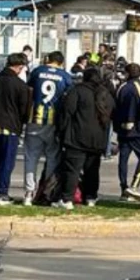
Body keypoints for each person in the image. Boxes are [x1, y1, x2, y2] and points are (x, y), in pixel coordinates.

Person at [54, 67, 114, 210]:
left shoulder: (77, 91)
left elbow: (67, 113)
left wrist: (60, 132)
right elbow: (112, 113)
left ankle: (67, 198)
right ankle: (91, 197)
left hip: (77, 138)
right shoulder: (106, 94)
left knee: (72, 170)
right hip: (98, 139)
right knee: (92, 170)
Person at [0, 53, 31, 205]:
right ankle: (2, 193)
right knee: (6, 162)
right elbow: (25, 111)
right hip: (9, 127)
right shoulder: (21, 86)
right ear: (20, 67)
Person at [25, 52, 72, 206]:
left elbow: (30, 92)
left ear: (48, 60)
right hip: (53, 120)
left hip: (35, 117)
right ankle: (46, 192)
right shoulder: (65, 76)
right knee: (52, 156)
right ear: (61, 62)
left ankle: (28, 192)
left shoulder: (37, 72)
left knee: (31, 156)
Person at [114, 63, 140, 201]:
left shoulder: (121, 87)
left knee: (123, 159)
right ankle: (133, 186)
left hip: (122, 129)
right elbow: (138, 108)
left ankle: (124, 189)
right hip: (136, 130)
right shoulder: (139, 89)